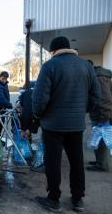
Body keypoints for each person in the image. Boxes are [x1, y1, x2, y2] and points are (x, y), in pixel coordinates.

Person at [32, 36, 100, 213]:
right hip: (76, 125)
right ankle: (78, 199)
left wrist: (39, 115)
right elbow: (95, 97)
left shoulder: (50, 66)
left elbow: (39, 99)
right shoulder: (87, 66)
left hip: (53, 125)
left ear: (54, 51)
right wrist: (80, 112)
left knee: (53, 162)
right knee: (77, 161)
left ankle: (53, 199)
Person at [87, 60, 112, 172]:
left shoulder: (99, 77)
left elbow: (105, 99)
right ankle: (99, 161)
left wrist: (103, 116)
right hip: (101, 113)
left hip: (103, 114)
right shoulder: (98, 76)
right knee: (97, 138)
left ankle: (103, 165)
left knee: (103, 140)